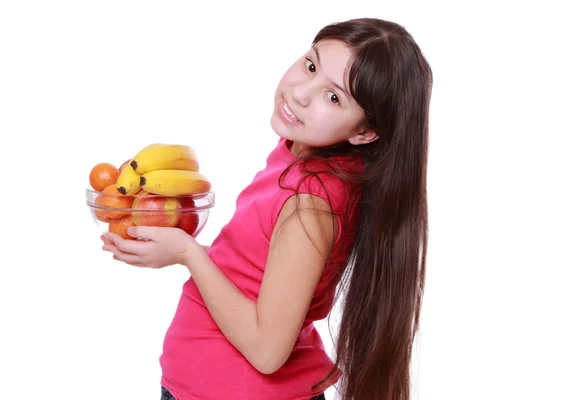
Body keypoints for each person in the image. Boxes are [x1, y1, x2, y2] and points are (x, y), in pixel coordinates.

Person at [101, 17, 432, 400]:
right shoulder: (301, 156)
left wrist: (188, 254)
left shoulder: (311, 202)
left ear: (364, 132)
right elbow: (266, 279)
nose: (302, 93)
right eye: (311, 65)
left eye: (334, 96)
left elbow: (268, 351)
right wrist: (178, 250)